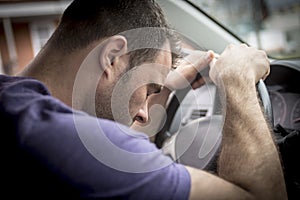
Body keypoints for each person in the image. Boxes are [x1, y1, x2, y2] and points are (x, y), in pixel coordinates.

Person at [0, 0, 287, 199]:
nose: (144, 115)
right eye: (148, 89)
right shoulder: (63, 141)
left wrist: (159, 86)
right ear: (112, 57)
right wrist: (236, 79)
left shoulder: (15, 105)